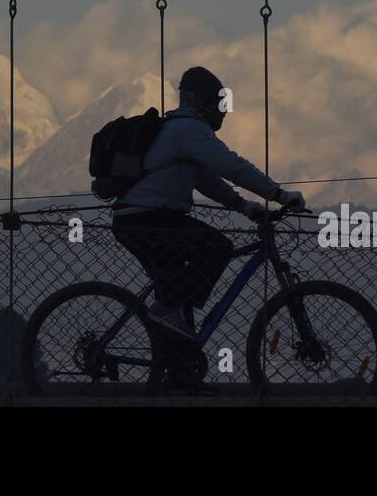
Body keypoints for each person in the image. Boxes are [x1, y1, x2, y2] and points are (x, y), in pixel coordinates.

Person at [112, 66, 305, 340]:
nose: (221, 111)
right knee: (217, 248)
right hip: (146, 218)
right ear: (198, 101)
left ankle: (178, 368)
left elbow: (206, 178)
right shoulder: (188, 129)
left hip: (140, 219)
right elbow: (231, 166)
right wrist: (279, 195)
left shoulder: (180, 130)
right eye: (216, 103)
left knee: (180, 294)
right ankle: (165, 310)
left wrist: (242, 205)